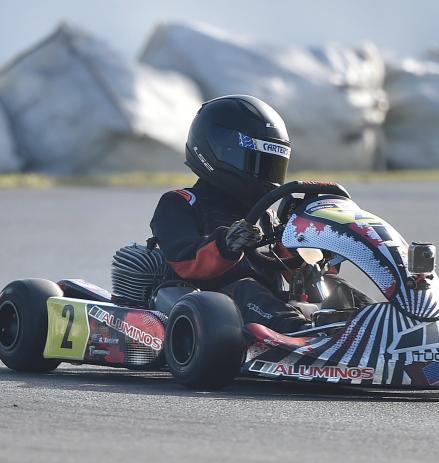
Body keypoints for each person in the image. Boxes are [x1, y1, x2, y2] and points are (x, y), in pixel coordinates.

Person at [149, 95, 370, 333]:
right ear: (218, 150)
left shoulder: (267, 216)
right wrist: (226, 244)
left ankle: (375, 324)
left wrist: (315, 255)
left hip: (265, 307)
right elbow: (185, 261)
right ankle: (304, 335)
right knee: (247, 288)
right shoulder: (180, 203)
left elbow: (290, 268)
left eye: (272, 165)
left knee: (333, 285)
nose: (266, 175)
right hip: (209, 306)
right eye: (258, 163)